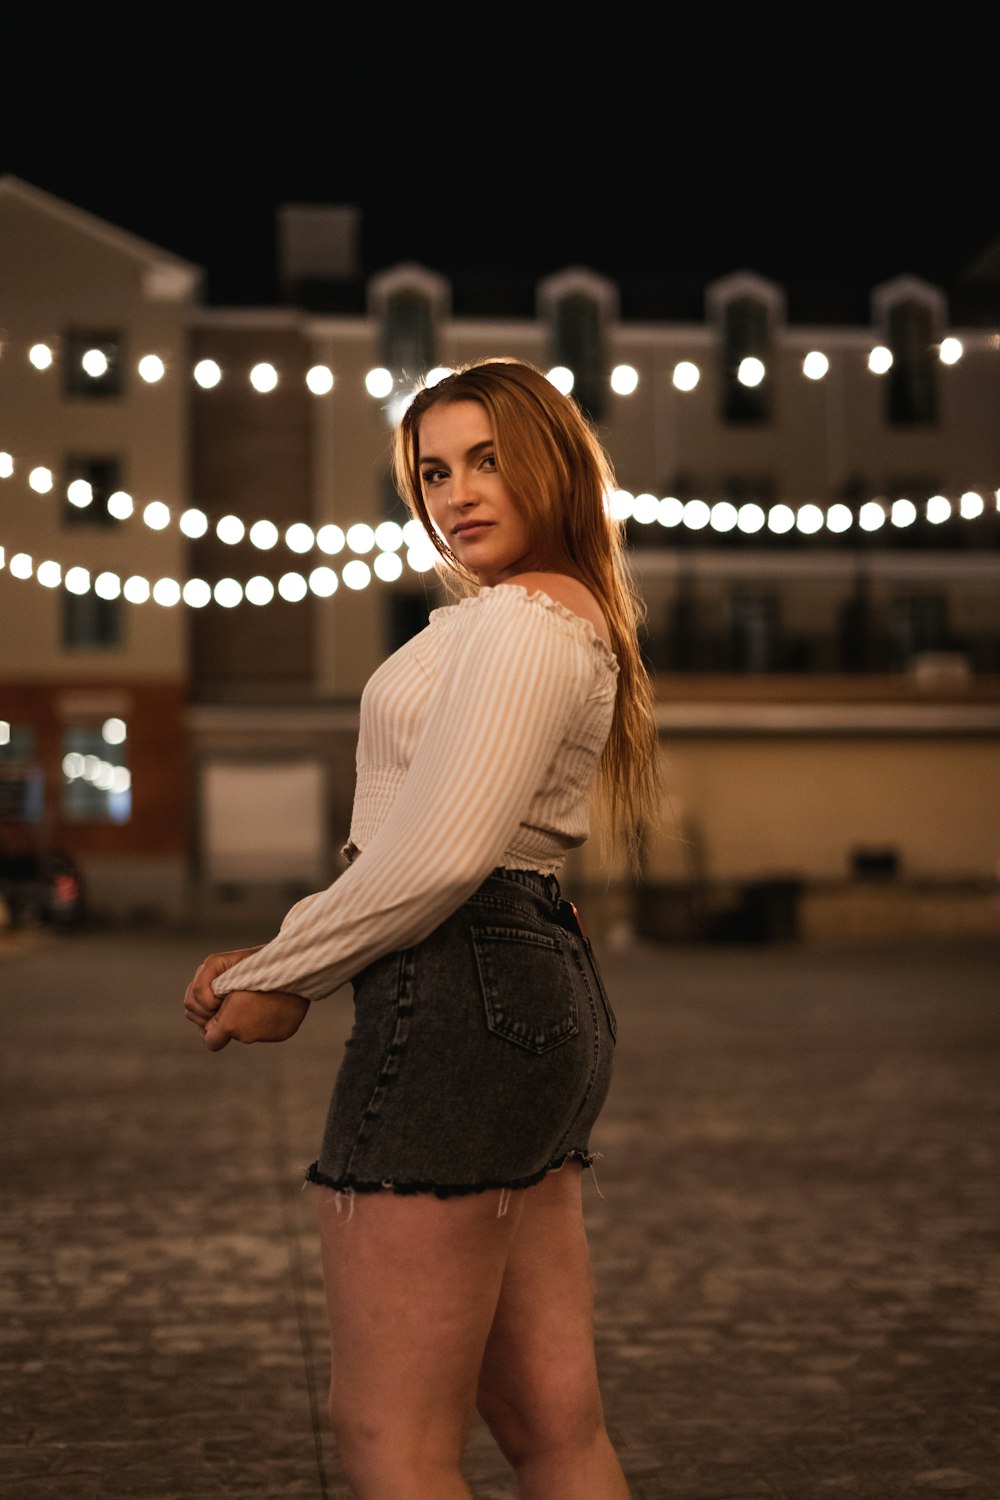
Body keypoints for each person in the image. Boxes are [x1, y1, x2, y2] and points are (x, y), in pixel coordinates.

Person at [184, 358, 659, 1500]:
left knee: (389, 1437)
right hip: (517, 981)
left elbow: (442, 852)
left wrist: (287, 970)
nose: (456, 491)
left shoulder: (527, 621)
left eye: (488, 459)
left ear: (552, 461)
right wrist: (281, 952)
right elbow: (443, 835)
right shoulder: (524, 617)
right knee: (549, 1421)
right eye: (434, 470)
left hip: (460, 991)